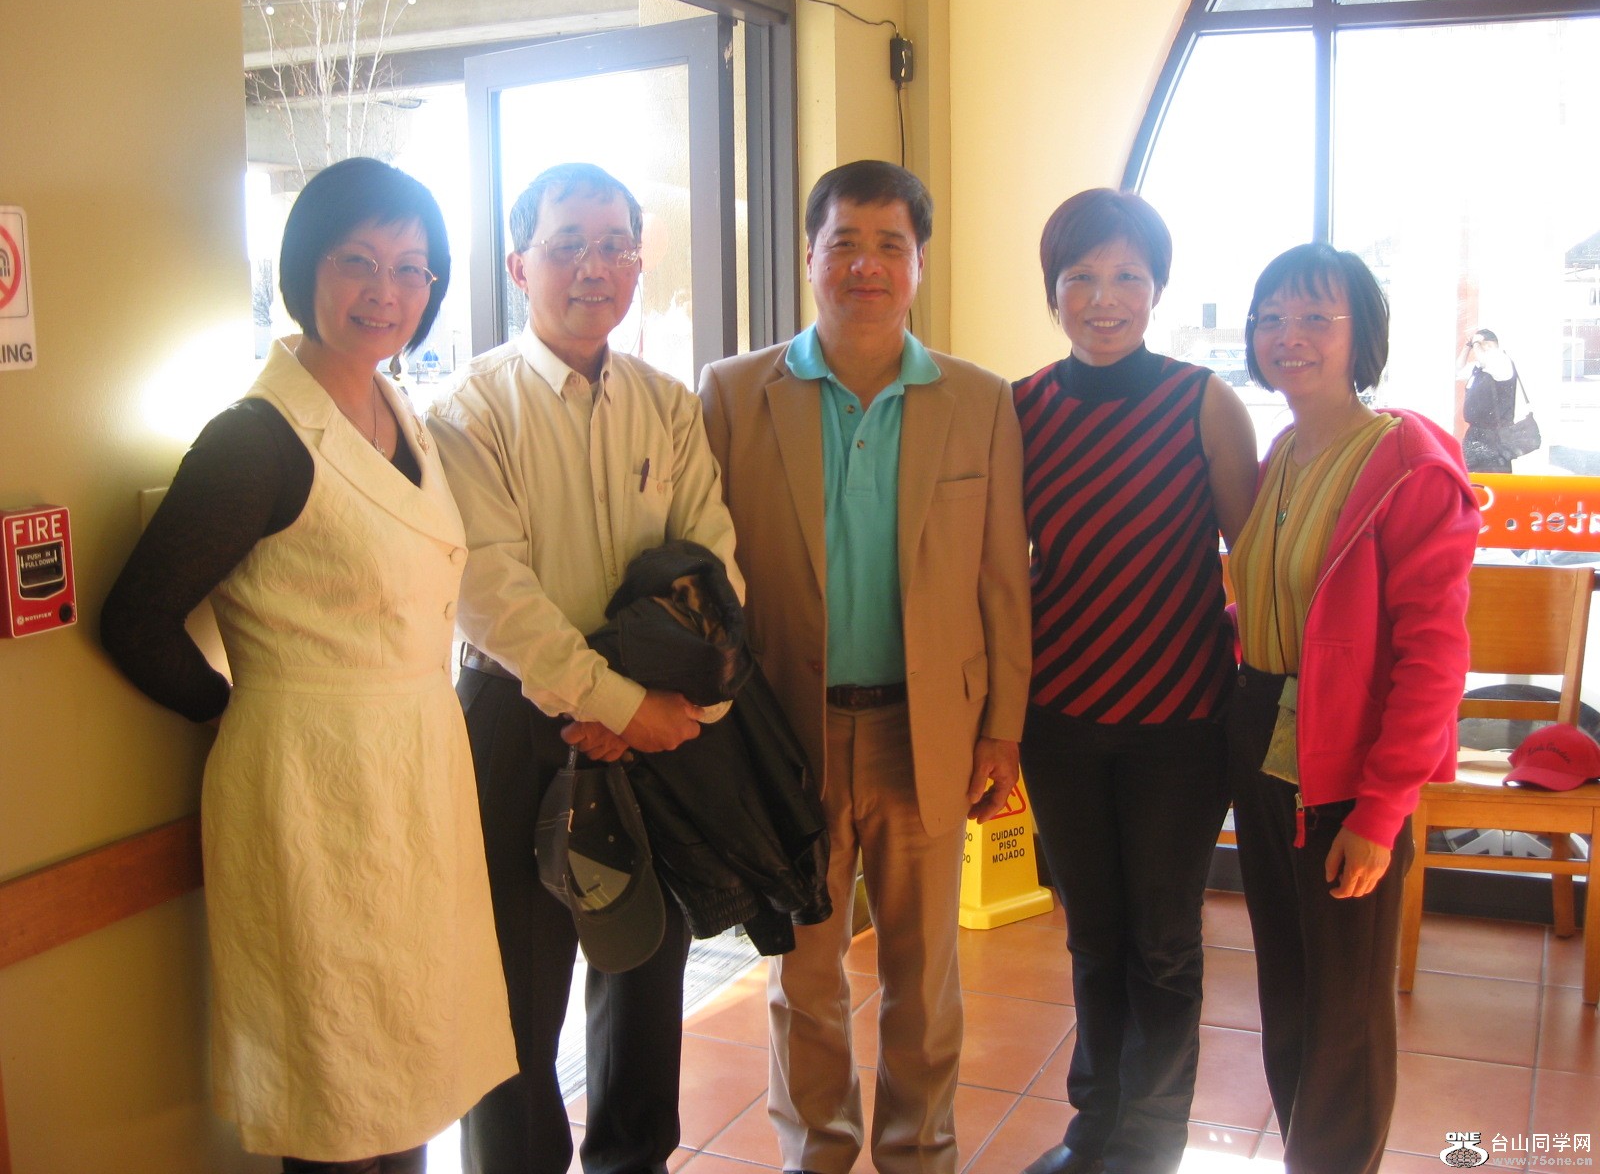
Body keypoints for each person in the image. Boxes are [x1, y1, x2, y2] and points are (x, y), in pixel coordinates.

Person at [101, 157, 517, 1172]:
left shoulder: (398, 411)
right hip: (310, 788)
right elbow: (136, 620)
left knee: (410, 1056)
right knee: (332, 1066)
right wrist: (240, 713)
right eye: (357, 261)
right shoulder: (257, 440)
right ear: (304, 270)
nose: (386, 291)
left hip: (414, 772)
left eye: (411, 268)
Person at [698, 159, 1031, 1174]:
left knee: (924, 979)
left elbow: (1001, 580)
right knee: (803, 977)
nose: (866, 265)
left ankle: (919, 1154)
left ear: (920, 263)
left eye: (890, 245)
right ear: (809, 257)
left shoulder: (978, 400)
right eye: (843, 242)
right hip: (785, 735)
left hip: (922, 733)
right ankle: (818, 1154)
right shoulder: (733, 393)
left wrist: (1002, 729)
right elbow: (706, 577)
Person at [425, 162, 740, 1174]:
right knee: (513, 996)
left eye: (614, 245)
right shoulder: (469, 408)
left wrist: (665, 708)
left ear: (639, 265)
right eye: (566, 245)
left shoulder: (668, 405)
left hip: (655, 722)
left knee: (645, 969)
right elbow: (492, 593)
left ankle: (632, 1161)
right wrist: (616, 703)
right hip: (516, 721)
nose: (592, 266)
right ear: (520, 266)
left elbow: (713, 565)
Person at [1011, 189, 1259, 1174]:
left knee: (1162, 939)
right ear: (1053, 292)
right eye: (1081, 278)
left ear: (1156, 290)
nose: (1103, 298)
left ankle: (1149, 1145)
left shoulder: (1203, 403)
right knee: (1092, 934)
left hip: (1180, 723)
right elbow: (1000, 565)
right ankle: (1093, 1129)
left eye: (1126, 277)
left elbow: (1252, 563)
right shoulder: (1022, 408)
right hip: (1058, 718)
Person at [1228, 243, 1477, 1173]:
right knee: (1290, 989)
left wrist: (1380, 813)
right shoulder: (1282, 453)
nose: (1288, 335)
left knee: (1345, 1011)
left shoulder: (1408, 464)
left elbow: (1434, 659)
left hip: (1346, 757)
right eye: (1271, 317)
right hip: (1263, 737)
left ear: (1360, 335)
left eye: (1315, 317)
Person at [1458, 327, 1520, 473]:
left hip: (1495, 436)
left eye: (1477, 344)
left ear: (1489, 344)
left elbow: (1485, 361)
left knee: (1494, 476)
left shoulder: (1502, 361)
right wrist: (1467, 347)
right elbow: (1458, 371)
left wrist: (1476, 343)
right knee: (1470, 476)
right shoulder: (1478, 368)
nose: (1475, 348)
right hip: (1475, 433)